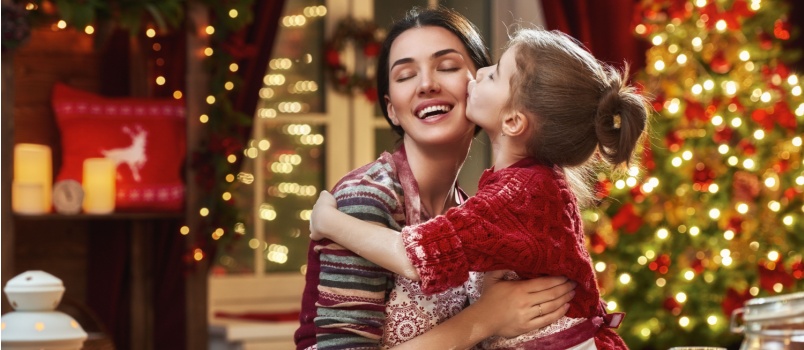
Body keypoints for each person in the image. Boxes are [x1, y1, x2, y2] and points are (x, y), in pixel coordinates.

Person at [310, 27, 650, 349]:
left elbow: (416, 257)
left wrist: (330, 223)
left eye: (448, 67)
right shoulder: (368, 199)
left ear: (514, 120)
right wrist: (487, 318)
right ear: (390, 109)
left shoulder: (511, 196)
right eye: (406, 75)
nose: (428, 84)